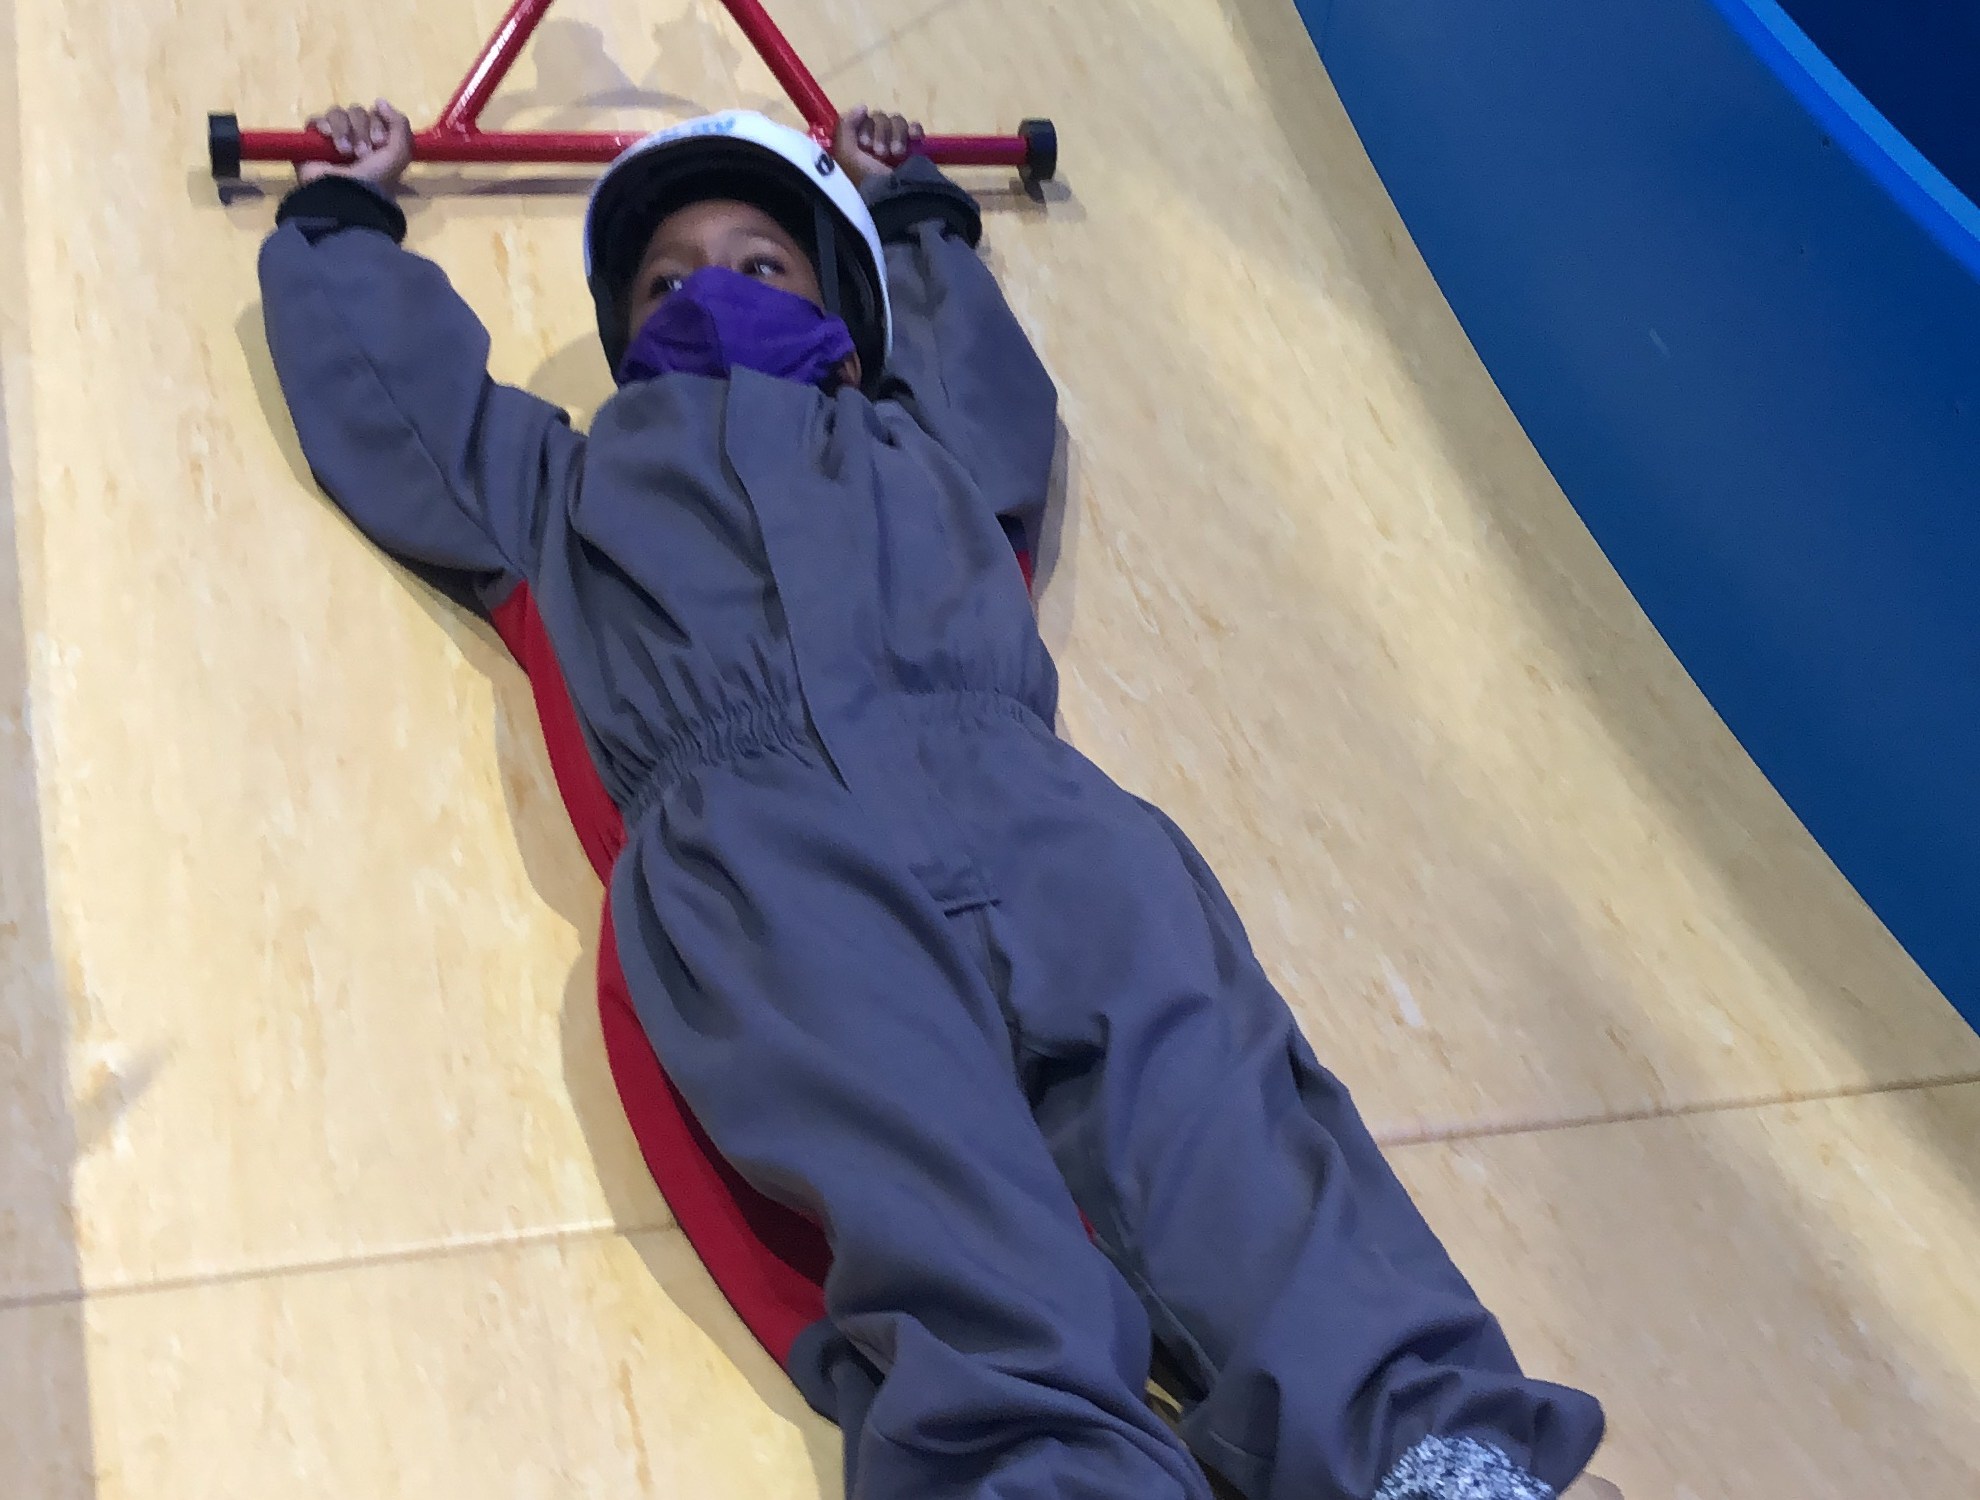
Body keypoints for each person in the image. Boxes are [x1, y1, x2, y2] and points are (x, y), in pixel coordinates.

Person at [257, 96, 1619, 1500]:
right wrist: (347, 219)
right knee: (931, 1201)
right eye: (667, 282)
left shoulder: (923, 447)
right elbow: (402, 412)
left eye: (762, 263)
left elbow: (989, 387)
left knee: (1220, 1119)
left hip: (1033, 813)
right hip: (770, 858)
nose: (712, 291)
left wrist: (909, 210)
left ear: (843, 325)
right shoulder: (564, 485)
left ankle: (1431, 1456)